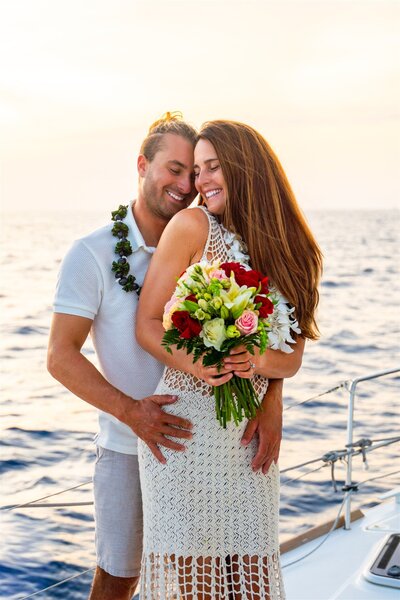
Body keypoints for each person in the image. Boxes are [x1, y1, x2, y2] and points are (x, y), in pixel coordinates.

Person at [47, 113, 289, 600]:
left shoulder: (217, 238)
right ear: (143, 165)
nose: (187, 184)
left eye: (195, 172)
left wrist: (272, 400)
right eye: (176, 169)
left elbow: (270, 330)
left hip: (208, 442)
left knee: (213, 576)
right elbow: (60, 356)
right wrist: (133, 413)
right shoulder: (92, 253)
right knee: (120, 576)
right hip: (127, 440)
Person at [136, 120, 322, 599]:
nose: (202, 182)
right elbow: (148, 324)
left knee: (247, 586)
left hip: (247, 444)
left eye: (214, 167)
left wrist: (257, 360)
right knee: (197, 589)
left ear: (249, 168)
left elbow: (292, 357)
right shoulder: (194, 226)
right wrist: (202, 363)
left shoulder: (294, 250)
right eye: (198, 171)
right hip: (185, 438)